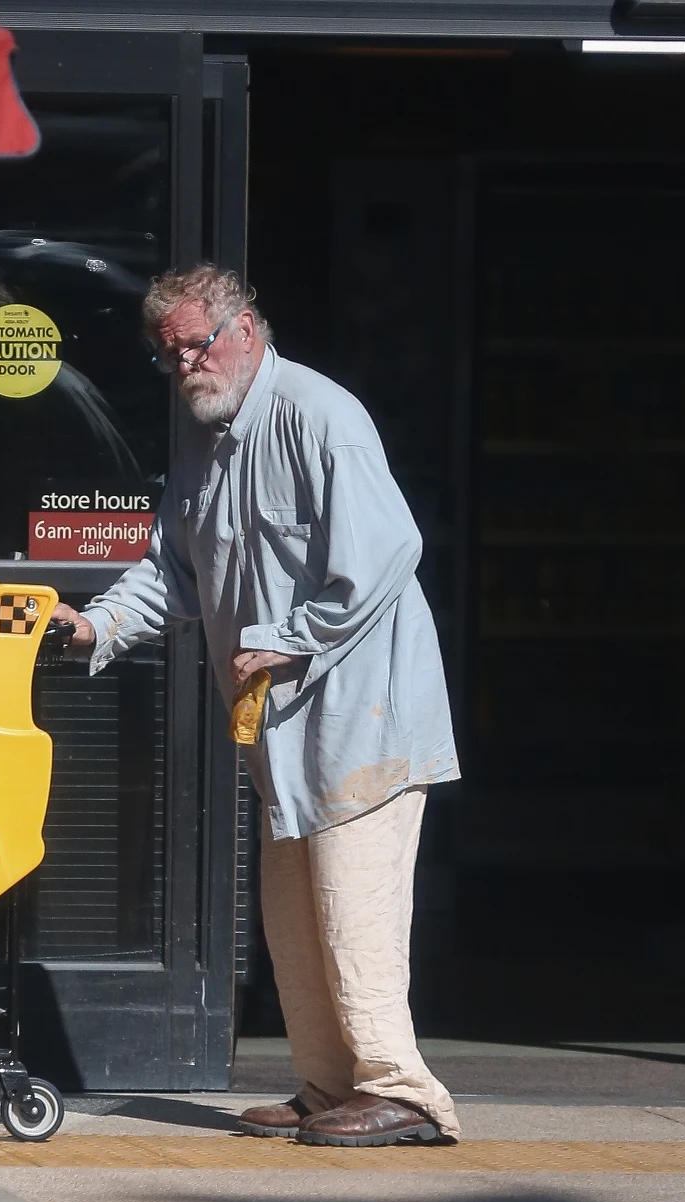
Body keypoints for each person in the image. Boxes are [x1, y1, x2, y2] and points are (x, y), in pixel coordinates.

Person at [54, 263, 461, 1146]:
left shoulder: (320, 413)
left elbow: (390, 548)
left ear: (245, 330)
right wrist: (95, 626)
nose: (184, 367)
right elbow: (172, 570)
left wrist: (295, 633)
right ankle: (328, 1085)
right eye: (168, 356)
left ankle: (403, 1089)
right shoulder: (204, 437)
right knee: (294, 917)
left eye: (195, 347)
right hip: (282, 730)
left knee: (354, 907)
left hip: (365, 716)